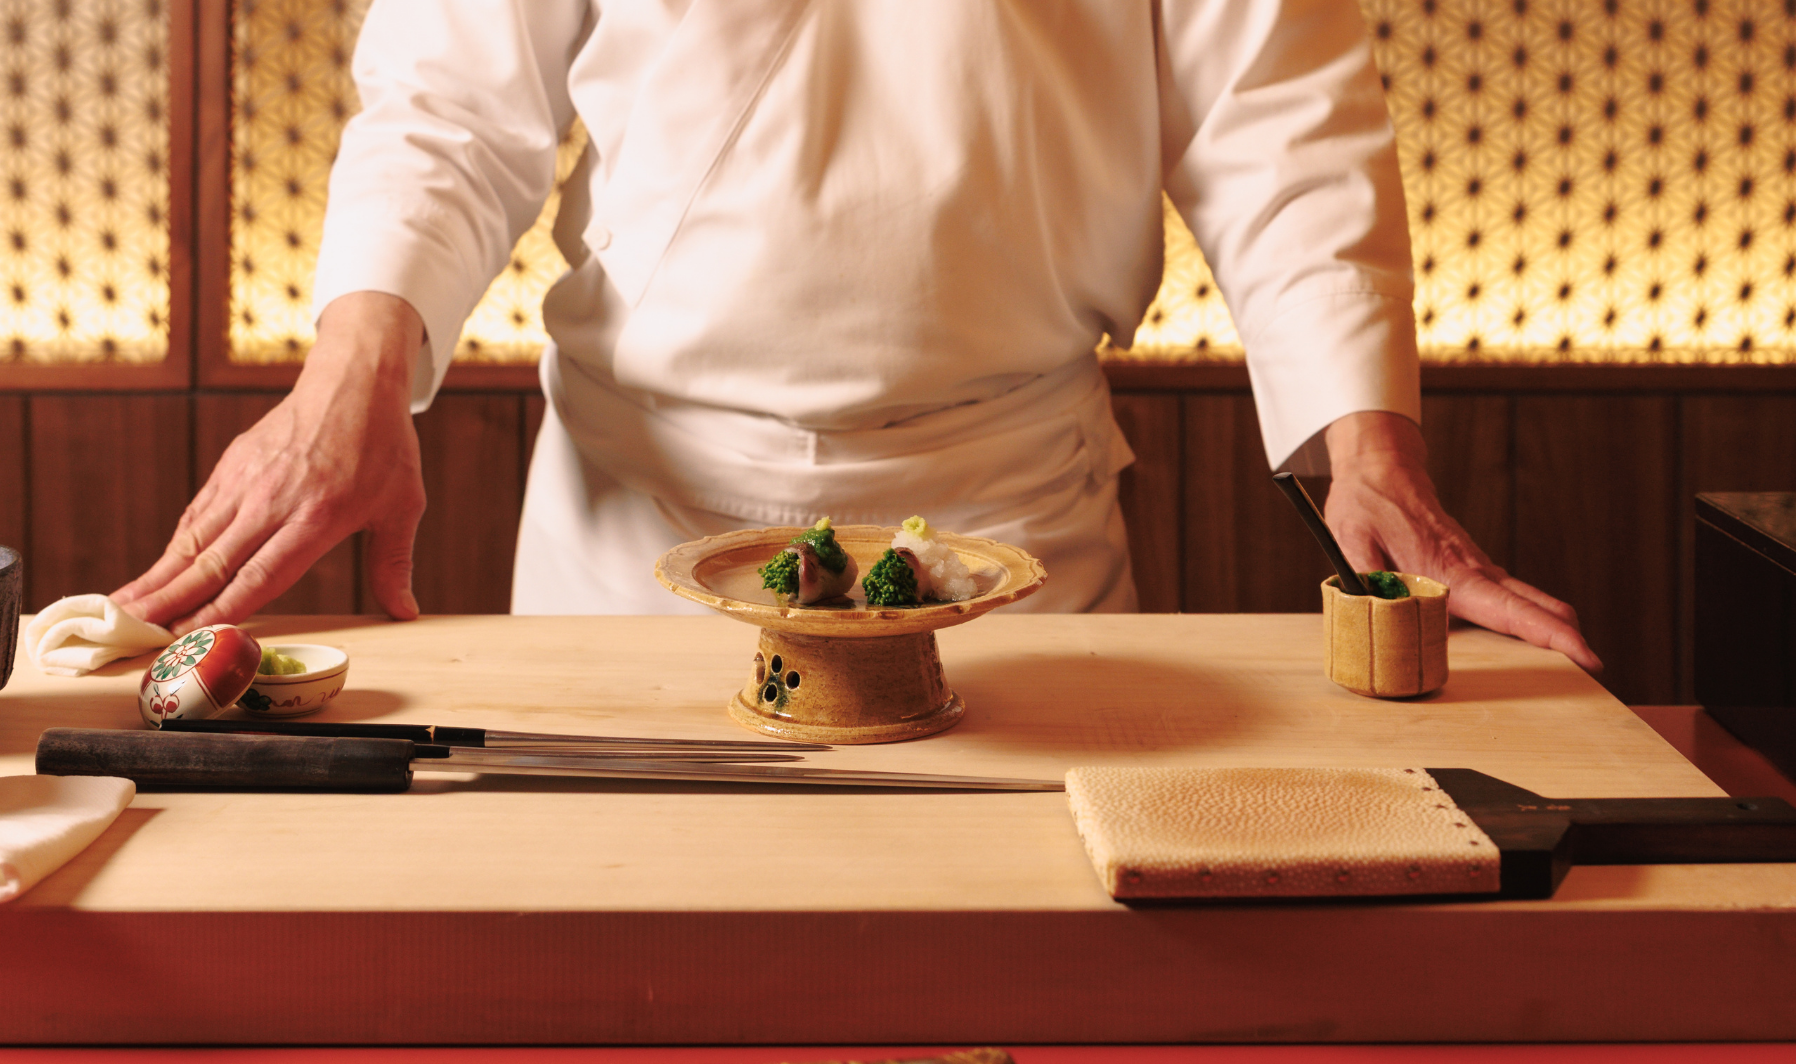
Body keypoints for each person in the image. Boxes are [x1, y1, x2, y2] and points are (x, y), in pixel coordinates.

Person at [113, 0, 1602, 674]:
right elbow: (448, 105)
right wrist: (348, 381)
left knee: (1009, 995)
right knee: (625, 989)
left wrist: (1374, 454)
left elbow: (1283, 124)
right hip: (637, 533)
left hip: (1007, 523)